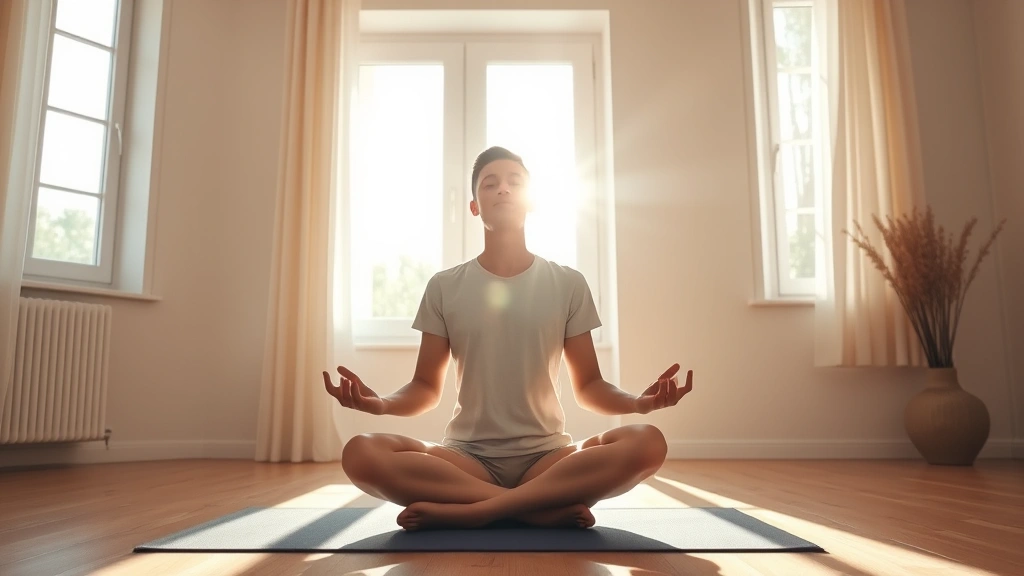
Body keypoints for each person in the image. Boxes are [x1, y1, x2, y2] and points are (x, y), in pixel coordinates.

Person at [323, 146, 693, 531]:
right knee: (361, 452)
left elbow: (589, 386)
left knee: (647, 442)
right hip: (466, 460)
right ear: (474, 206)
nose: (503, 189)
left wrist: (638, 403)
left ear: (531, 200)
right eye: (490, 183)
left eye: (515, 182)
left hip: (548, 459)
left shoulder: (567, 283)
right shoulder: (444, 286)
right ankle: (534, 508)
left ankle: (475, 511)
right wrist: (381, 404)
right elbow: (425, 388)